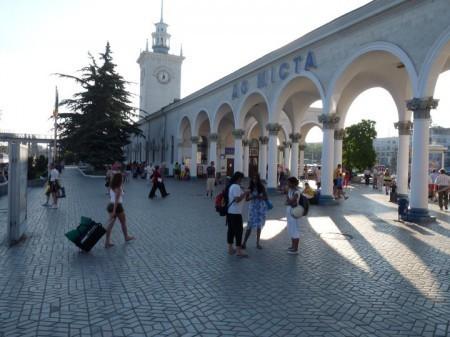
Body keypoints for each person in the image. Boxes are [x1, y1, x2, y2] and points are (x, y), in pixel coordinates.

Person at [105, 173, 135, 248]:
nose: (123, 179)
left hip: (110, 205)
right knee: (123, 223)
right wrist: (114, 211)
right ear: (119, 179)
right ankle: (126, 237)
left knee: (110, 225)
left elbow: (113, 196)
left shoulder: (112, 186)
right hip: (117, 206)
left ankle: (107, 242)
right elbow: (116, 200)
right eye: (121, 178)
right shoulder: (118, 188)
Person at [226, 171, 250, 257]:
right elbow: (237, 200)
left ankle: (230, 248)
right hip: (236, 213)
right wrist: (245, 193)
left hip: (230, 212)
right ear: (239, 178)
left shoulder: (232, 186)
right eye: (241, 179)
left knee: (231, 230)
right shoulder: (235, 187)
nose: (242, 180)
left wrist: (243, 192)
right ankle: (239, 251)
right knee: (238, 231)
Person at [242, 174, 267, 250]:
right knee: (249, 225)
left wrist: (260, 197)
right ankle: (244, 243)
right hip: (252, 208)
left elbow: (265, 197)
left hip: (260, 208)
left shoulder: (261, 187)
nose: (254, 180)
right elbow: (246, 199)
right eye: (253, 179)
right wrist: (252, 197)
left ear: (258, 179)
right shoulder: (250, 188)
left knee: (259, 226)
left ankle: (257, 243)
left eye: (256, 179)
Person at [286, 177, 301, 255]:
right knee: (291, 229)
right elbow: (288, 201)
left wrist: (289, 201)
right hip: (290, 212)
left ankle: (296, 249)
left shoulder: (296, 192)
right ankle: (292, 246)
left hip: (294, 213)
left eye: (289, 183)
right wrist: (288, 201)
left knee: (295, 230)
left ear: (293, 183)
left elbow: (292, 201)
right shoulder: (290, 190)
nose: (287, 184)